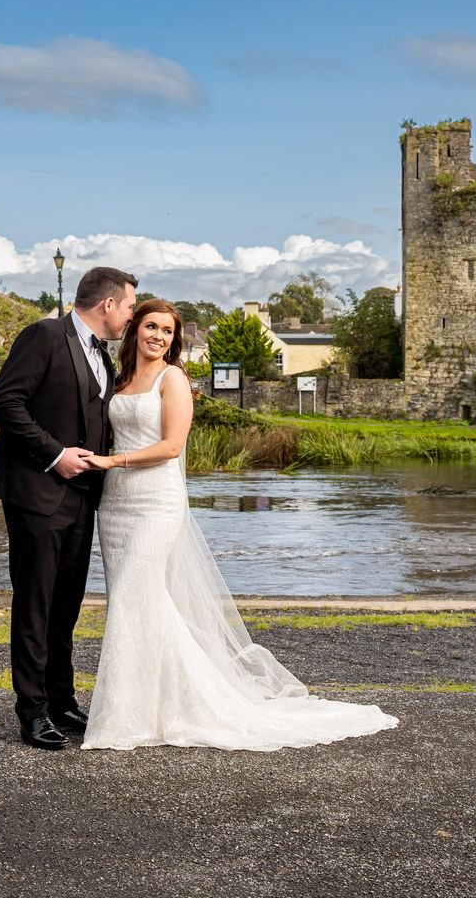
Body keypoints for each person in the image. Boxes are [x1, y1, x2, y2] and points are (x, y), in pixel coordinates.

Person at [80, 299, 398, 751]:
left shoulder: (173, 379)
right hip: (116, 507)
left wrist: (113, 461)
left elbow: (172, 447)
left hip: (156, 502)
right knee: (134, 604)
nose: (158, 337)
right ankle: (147, 707)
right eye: (151, 326)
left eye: (167, 332)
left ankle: (136, 715)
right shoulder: (120, 380)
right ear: (134, 329)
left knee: (137, 593)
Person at [0, 266, 137, 750]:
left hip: (82, 498)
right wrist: (55, 454)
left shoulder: (104, 360)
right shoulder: (45, 334)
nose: (131, 316)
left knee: (66, 604)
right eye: (131, 306)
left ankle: (60, 699)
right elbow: (5, 403)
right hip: (36, 492)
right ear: (108, 304)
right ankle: (31, 713)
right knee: (36, 603)